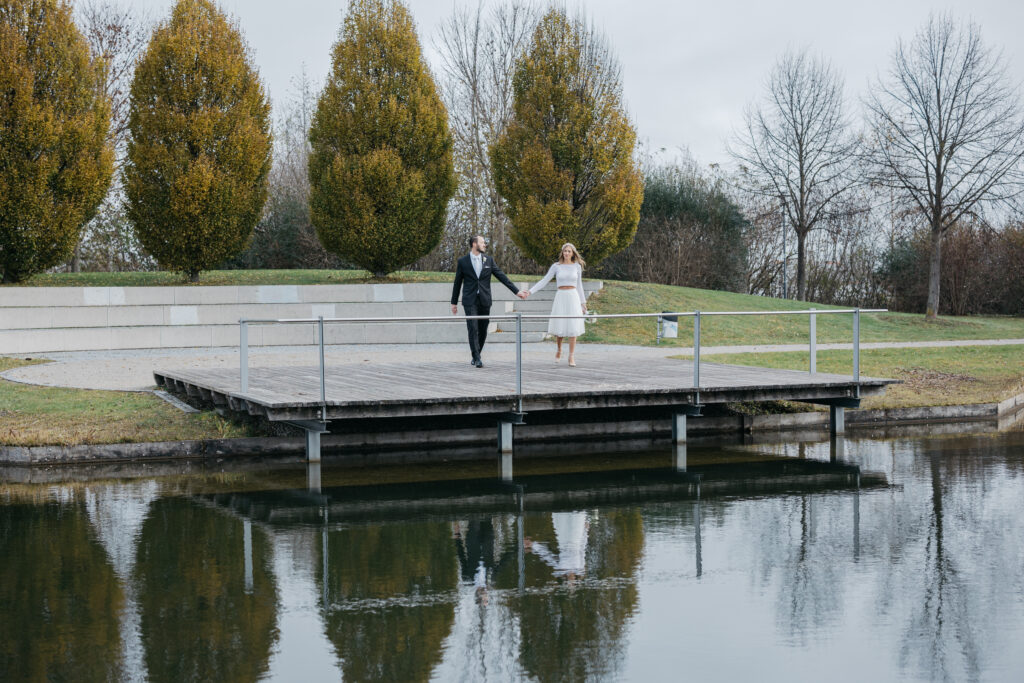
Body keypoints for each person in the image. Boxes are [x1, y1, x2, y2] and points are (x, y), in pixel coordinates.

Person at [451, 235, 527, 367]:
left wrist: (517, 291)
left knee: (483, 328)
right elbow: (457, 282)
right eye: (482, 242)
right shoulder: (463, 261)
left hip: (485, 300)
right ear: (474, 244)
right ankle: (477, 358)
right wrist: (454, 302)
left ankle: (476, 354)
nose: (485, 245)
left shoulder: (489, 260)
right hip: (470, 300)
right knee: (472, 328)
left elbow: (502, 277)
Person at [527, 243, 588, 367]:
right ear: (562, 252)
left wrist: (583, 303)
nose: (566, 253)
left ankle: (571, 356)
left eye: (569, 251)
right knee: (559, 325)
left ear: (573, 253)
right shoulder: (556, 266)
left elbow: (580, 285)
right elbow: (544, 280)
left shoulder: (577, 267)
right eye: (565, 251)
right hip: (561, 296)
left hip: (573, 296)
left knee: (573, 326)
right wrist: (530, 291)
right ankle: (559, 350)